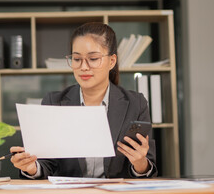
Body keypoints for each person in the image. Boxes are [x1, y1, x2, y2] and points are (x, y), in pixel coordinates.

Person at [10, 22, 157, 178]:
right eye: (77, 59)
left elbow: (148, 166)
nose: (84, 67)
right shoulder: (54, 102)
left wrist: (140, 163)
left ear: (112, 61)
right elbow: (47, 164)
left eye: (93, 58)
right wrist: (31, 167)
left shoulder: (136, 103)